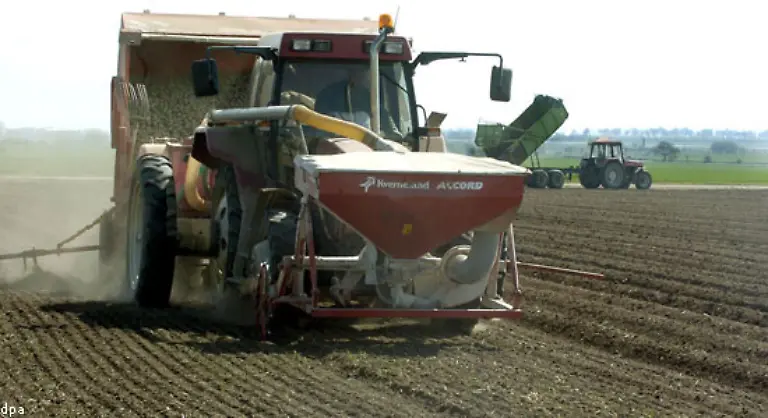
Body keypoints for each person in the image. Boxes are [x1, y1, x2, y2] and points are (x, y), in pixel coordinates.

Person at [313, 67, 402, 138]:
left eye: (363, 72)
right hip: (329, 152)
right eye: (357, 71)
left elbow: (389, 126)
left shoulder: (370, 98)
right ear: (350, 73)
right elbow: (316, 128)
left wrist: (397, 136)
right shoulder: (329, 95)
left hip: (368, 151)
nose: (360, 75)